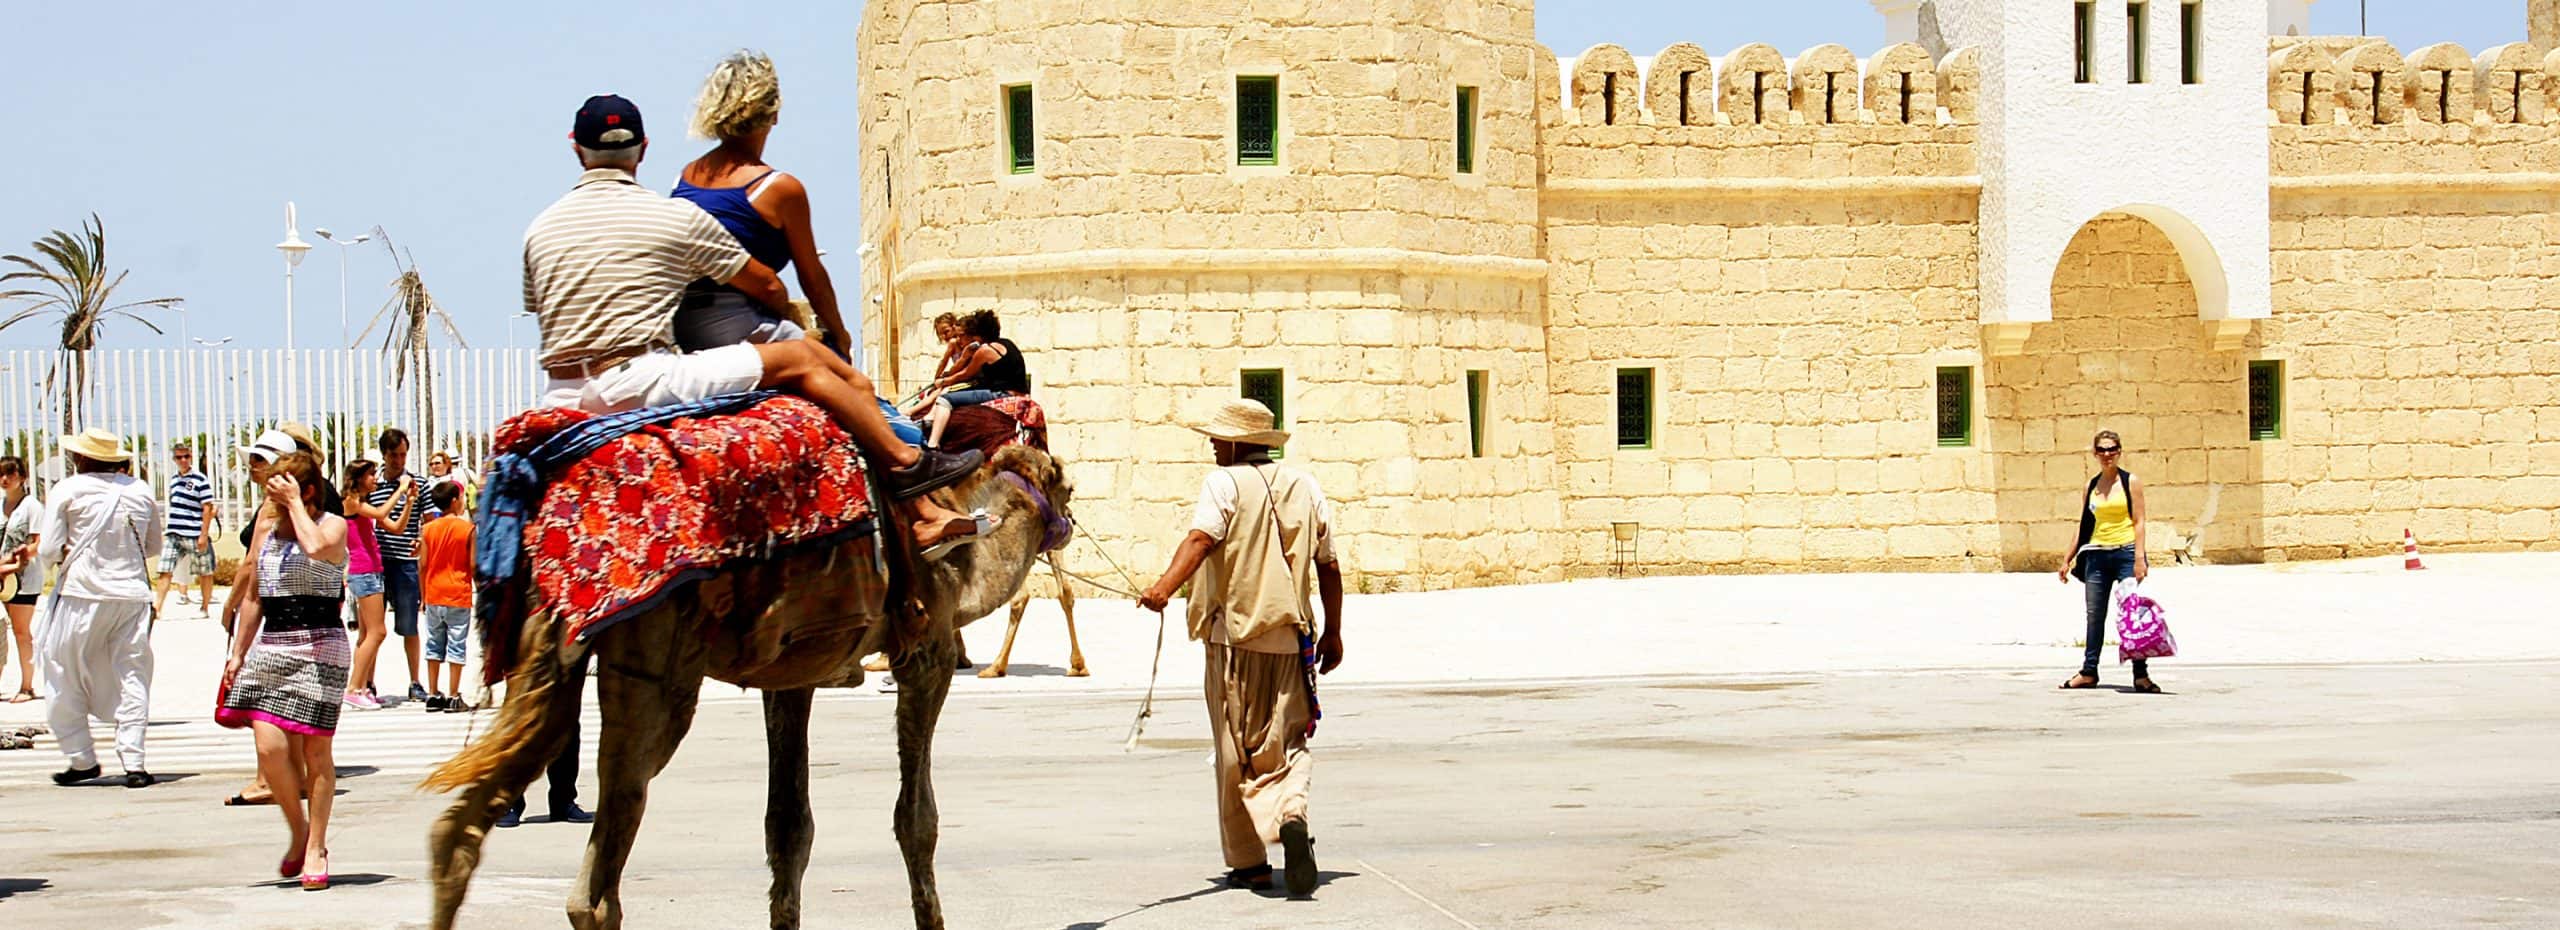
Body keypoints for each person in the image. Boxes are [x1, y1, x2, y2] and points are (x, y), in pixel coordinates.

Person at [524, 93, 982, 551]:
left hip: (561, 394)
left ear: (575, 148)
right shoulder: (673, 216)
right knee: (803, 357)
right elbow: (766, 285)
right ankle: (906, 463)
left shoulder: (540, 228)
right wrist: (794, 315)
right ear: (642, 149)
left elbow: (542, 307)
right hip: (641, 378)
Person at [1137, 399, 1346, 899]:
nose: (1212, 443)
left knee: (1236, 751)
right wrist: (1334, 631)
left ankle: (1250, 864)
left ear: (1237, 442)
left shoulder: (1223, 483)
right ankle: (1291, 809)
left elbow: (1199, 540)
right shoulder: (1306, 485)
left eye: (1218, 437)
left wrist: (1164, 588)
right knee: (1287, 739)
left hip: (1233, 638)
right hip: (1293, 639)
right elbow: (1329, 564)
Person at [217, 450, 350, 890]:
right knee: (270, 747)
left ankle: (316, 845)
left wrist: (295, 504)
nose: (271, 501)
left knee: (316, 753)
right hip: (273, 644)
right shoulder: (269, 531)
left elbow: (315, 547)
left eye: (283, 490)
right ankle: (297, 829)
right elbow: (255, 594)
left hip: (320, 646)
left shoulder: (333, 525)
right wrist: (238, 652)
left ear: (307, 490)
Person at [36, 429, 163, 788]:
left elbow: (48, 550)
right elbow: (153, 545)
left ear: (81, 459)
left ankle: (81, 757)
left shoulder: (68, 489)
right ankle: (135, 762)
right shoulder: (139, 491)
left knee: (62, 670)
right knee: (133, 675)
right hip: (133, 596)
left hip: (83, 594)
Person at [2058, 429, 2159, 694]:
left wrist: (2140, 558)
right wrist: (2067, 558)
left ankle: (2141, 675)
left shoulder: (2130, 482)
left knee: (2131, 615)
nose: (2107, 454)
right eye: (2101, 450)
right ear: (2095, 453)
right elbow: (2083, 525)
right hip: (2096, 555)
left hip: (2125, 553)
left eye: (2112, 449)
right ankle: (2089, 671)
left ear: (2119, 451)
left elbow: (2139, 521)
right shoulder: (2090, 486)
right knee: (2095, 616)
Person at [368, 429, 431, 704]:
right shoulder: (372, 484)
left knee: (409, 625)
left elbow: (429, 520)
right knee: (373, 627)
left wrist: (422, 540)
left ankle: (415, 681)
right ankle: (368, 682)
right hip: (377, 562)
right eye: (394, 455)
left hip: (406, 561)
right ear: (384, 454)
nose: (399, 460)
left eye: (403, 454)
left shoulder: (419, 483)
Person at [918, 311, 1032, 450]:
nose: (959, 339)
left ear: (977, 336)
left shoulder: (984, 351)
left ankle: (932, 443)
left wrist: (943, 382)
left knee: (945, 399)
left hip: (1002, 393)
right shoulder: (1007, 343)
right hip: (1018, 391)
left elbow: (964, 374)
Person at [337, 458, 397, 710]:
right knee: (378, 632)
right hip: (364, 571)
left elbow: (395, 526)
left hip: (374, 570)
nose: (376, 479)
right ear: (359, 477)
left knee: (366, 635)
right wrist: (401, 490)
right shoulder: (351, 502)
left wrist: (410, 502)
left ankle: (362, 686)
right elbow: (383, 514)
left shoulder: (363, 504)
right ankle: (352, 688)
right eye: (372, 475)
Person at [416, 483, 474, 712]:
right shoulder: (467, 529)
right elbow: (472, 564)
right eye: (460, 497)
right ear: (453, 500)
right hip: (458, 594)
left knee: (434, 643)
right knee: (457, 645)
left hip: (434, 593)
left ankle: (432, 693)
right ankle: (453, 695)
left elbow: (422, 564)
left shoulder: (428, 529)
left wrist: (423, 596)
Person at [152, 442, 218, 615]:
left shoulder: (200, 479)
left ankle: (204, 607)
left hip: (195, 533)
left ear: (191, 457)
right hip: (174, 532)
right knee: (165, 570)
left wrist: (204, 535)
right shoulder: (174, 480)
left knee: (205, 571)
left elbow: (207, 507)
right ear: (174, 459)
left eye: (186, 456)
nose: (183, 460)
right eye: (179, 457)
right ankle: (157, 608)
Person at [1, 456, 43, 703]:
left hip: (23, 578)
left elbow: (38, 542)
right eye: (1, 474)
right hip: (2, 575)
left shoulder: (31, 507)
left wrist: (17, 558)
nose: (5, 479)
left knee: (21, 632)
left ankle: (27, 686)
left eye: (11, 474)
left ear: (22, 477)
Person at [425, 450, 477, 517]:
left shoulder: (454, 482)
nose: (434, 466)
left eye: (437, 463)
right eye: (431, 464)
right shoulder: (427, 483)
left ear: (446, 464)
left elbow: (461, 507)